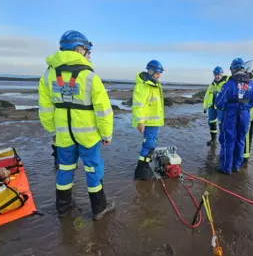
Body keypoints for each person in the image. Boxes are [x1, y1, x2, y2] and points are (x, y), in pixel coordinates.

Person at [38, 30, 115, 220]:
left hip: (63, 135)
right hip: (88, 136)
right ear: (79, 50)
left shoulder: (48, 75)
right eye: (88, 52)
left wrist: (52, 130)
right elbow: (104, 110)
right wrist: (106, 134)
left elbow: (45, 108)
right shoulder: (90, 77)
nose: (89, 56)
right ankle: (99, 208)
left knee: (65, 168)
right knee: (92, 169)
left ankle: (63, 207)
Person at [215, 58, 253, 175]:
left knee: (227, 141)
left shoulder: (228, 84)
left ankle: (225, 168)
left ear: (233, 69)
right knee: (240, 140)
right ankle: (236, 166)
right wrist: (245, 107)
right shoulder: (252, 85)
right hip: (245, 115)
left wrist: (228, 108)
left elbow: (218, 103)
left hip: (230, 115)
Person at [132, 60, 165, 180]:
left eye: (160, 73)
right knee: (149, 145)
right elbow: (138, 105)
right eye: (157, 72)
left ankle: (144, 167)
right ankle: (141, 171)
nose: (159, 75)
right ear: (150, 71)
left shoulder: (155, 84)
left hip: (154, 122)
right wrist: (140, 121)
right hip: (148, 122)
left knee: (151, 144)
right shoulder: (143, 86)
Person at [203, 66, 230, 146]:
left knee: (221, 124)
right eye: (215, 74)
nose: (217, 76)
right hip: (212, 107)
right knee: (211, 122)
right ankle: (213, 139)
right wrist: (205, 106)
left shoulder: (227, 83)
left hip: (221, 108)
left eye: (219, 74)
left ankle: (223, 141)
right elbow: (207, 95)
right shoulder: (212, 84)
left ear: (222, 74)